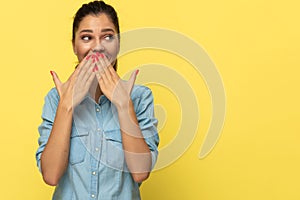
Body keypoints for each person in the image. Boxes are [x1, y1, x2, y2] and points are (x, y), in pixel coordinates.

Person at [35, 1, 159, 199]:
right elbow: (51, 175)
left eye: (108, 37)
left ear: (118, 44)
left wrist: (123, 104)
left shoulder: (139, 97)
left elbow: (140, 172)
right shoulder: (55, 99)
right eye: (87, 38)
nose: (97, 47)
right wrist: (66, 105)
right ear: (74, 46)